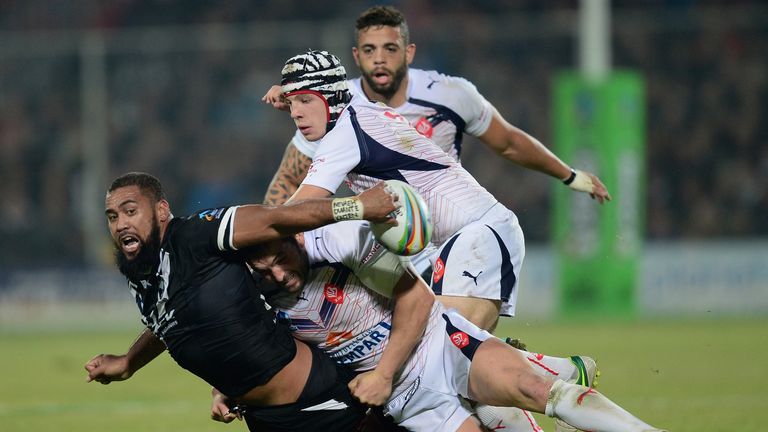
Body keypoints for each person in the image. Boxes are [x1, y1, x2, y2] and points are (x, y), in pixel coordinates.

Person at [270, 49, 599, 431]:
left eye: (305, 102)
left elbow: (292, 214)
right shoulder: (359, 111)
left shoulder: (343, 137)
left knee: (444, 364)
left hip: (477, 233)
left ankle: (556, 377)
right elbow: (332, 95)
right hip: (461, 241)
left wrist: (233, 237)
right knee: (455, 367)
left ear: (331, 98)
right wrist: (295, 94)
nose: (296, 113)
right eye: (292, 104)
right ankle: (560, 370)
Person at [210, 221, 665, 432]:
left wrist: (384, 373)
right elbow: (245, 347)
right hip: (410, 404)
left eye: (282, 261)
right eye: (264, 271)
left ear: (294, 241)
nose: (279, 275)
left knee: (536, 389)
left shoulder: (341, 241)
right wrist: (225, 387)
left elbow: (414, 299)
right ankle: (547, 365)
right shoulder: (256, 296)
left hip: (436, 343)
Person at [83, 171, 399, 432]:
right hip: (262, 419)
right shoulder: (142, 279)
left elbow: (276, 219)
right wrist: (128, 362)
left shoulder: (196, 235)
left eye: (130, 211)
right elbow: (167, 324)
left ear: (161, 211)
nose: (121, 223)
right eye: (112, 217)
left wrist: (357, 207)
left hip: (321, 402)